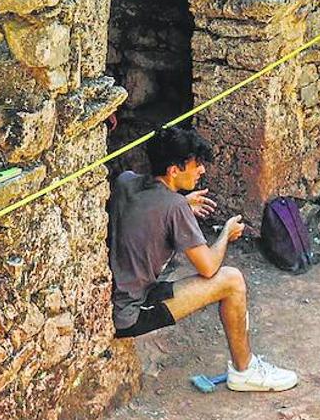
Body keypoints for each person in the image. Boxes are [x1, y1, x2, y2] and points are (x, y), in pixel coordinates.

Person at [107, 126, 298, 391]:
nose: (202, 171)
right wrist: (225, 235)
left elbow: (148, 208)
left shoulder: (125, 181)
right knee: (231, 280)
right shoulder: (173, 207)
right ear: (174, 170)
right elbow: (208, 267)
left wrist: (182, 204)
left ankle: (246, 368)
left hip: (115, 295)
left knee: (227, 278)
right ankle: (245, 371)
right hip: (131, 311)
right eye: (196, 165)